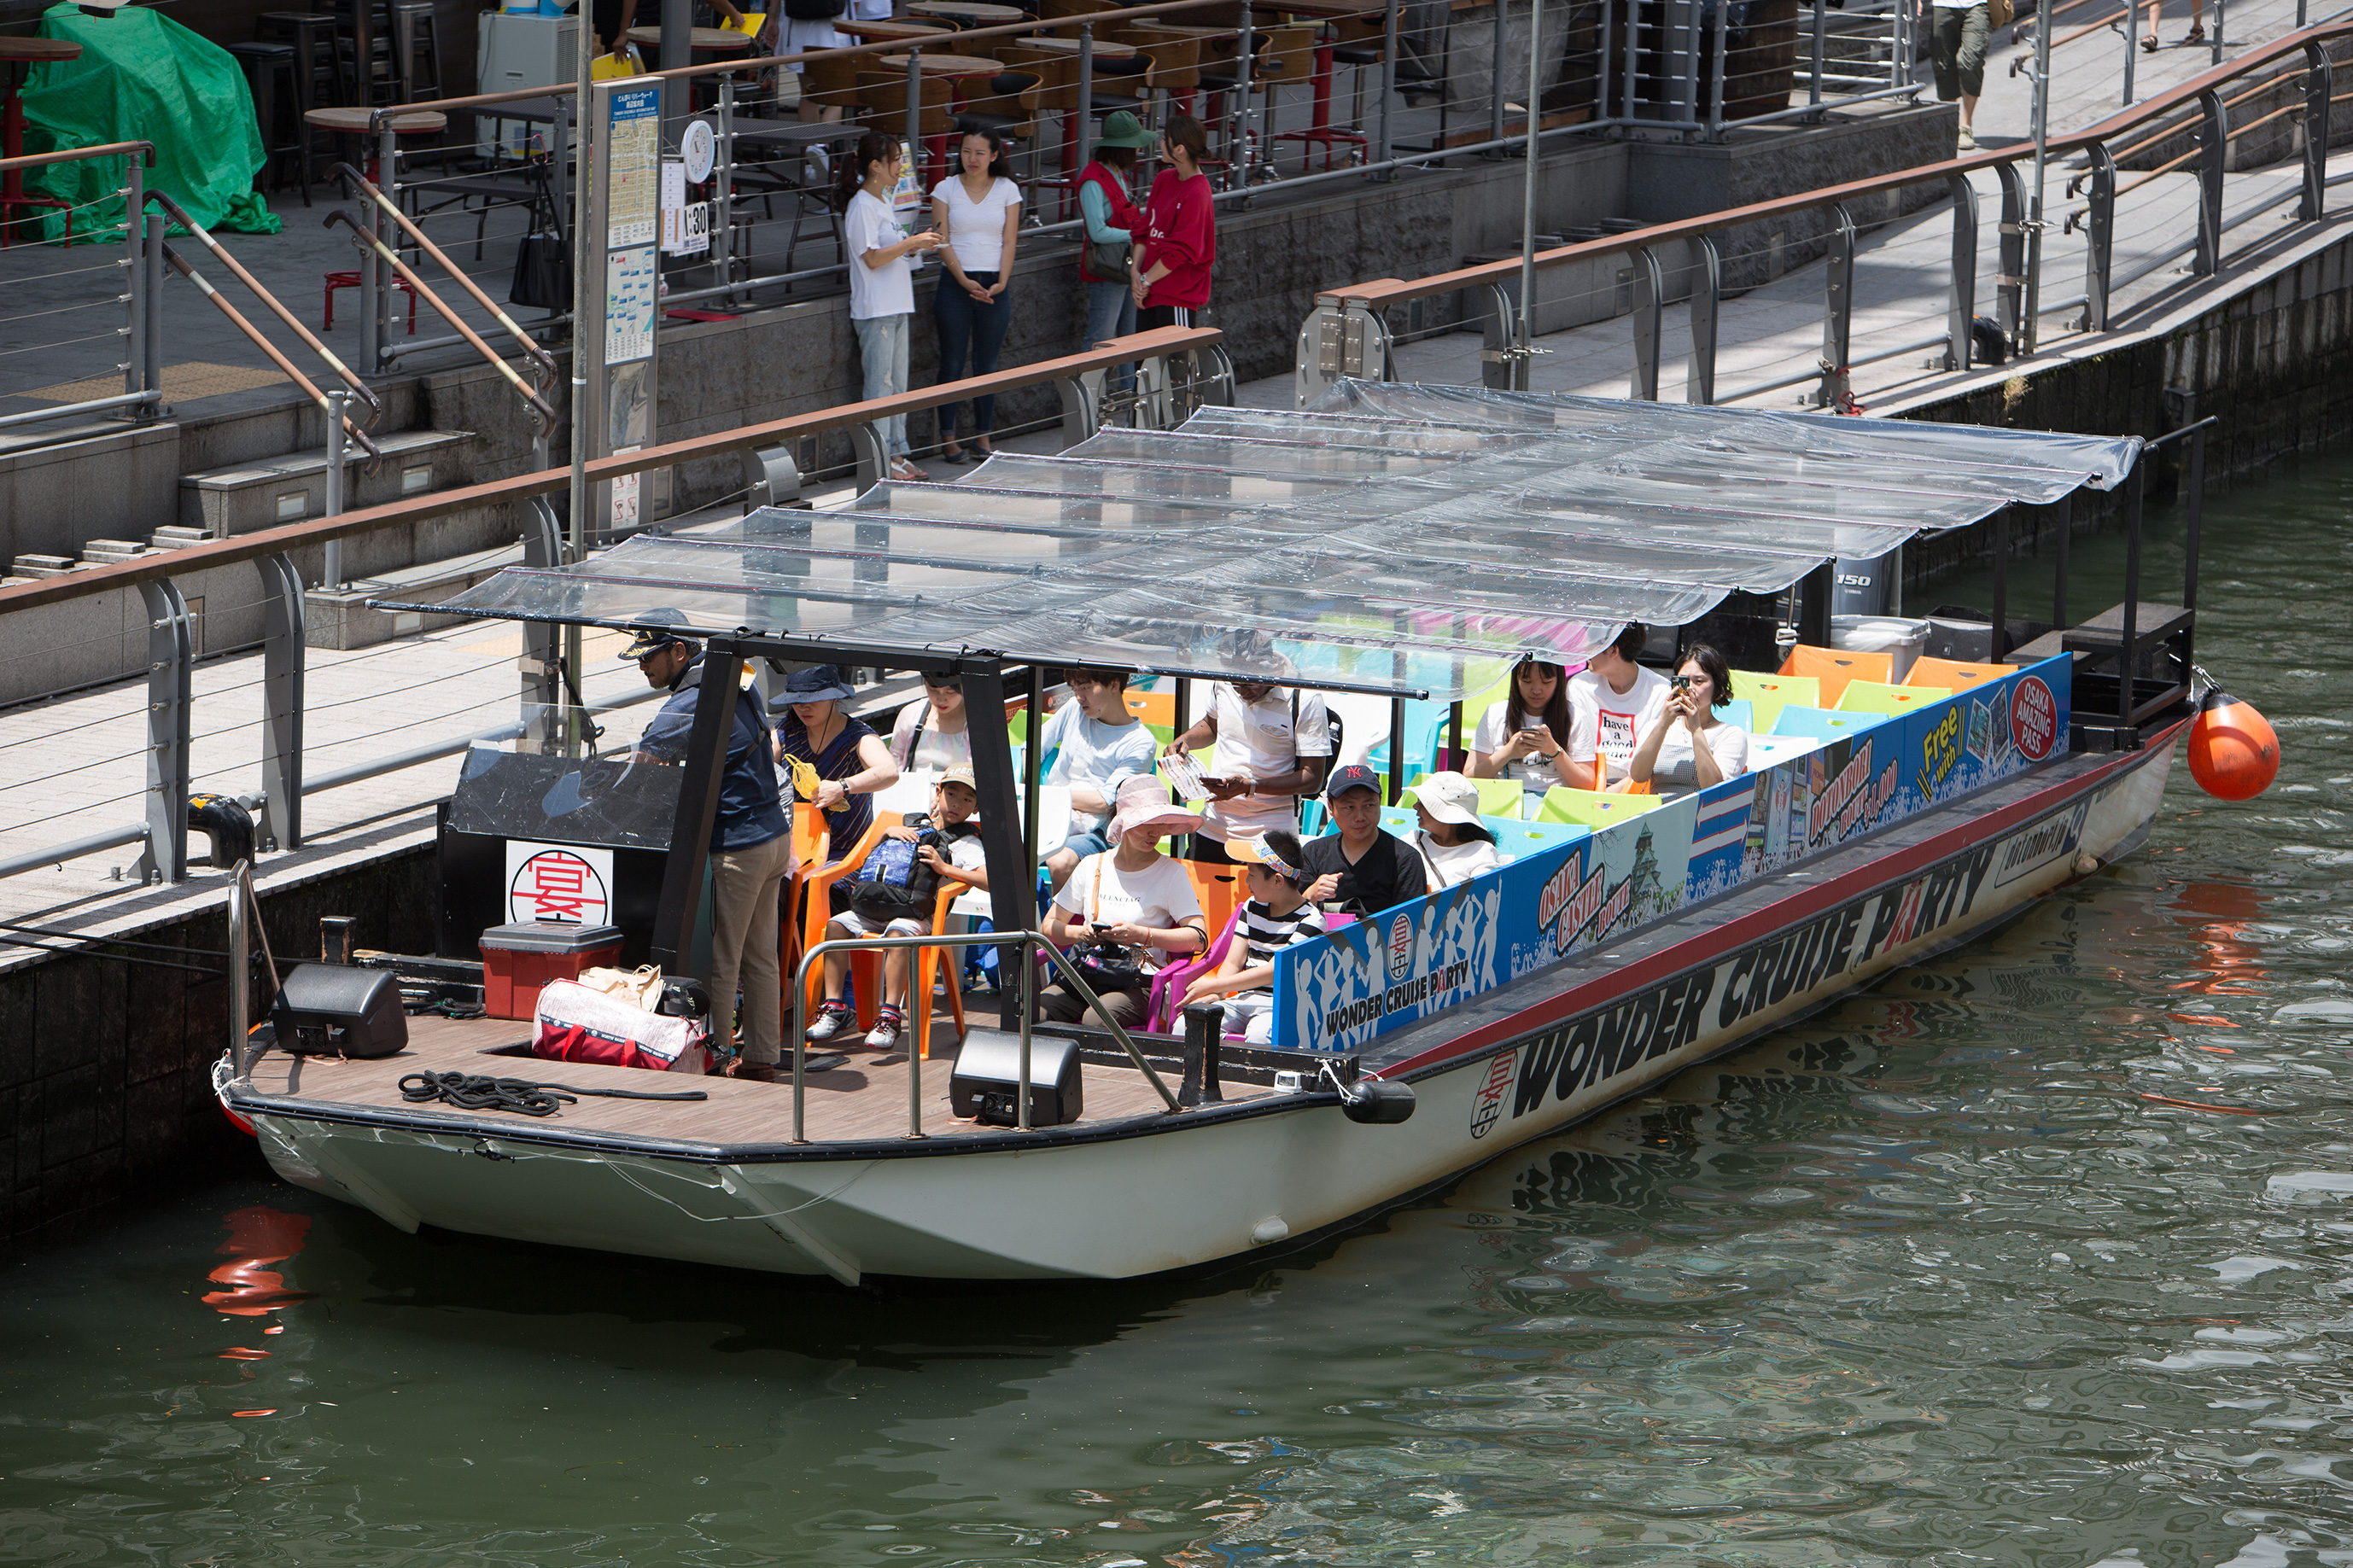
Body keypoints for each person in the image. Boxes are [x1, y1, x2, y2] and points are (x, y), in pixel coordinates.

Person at [619, 612, 794, 1083]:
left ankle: (715, 1054)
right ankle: (760, 1057)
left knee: (725, 958)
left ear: (679, 651)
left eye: (648, 657)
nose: (642, 667)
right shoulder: (738, 676)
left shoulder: (691, 698)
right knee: (761, 956)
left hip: (740, 846)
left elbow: (644, 763)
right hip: (775, 837)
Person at [807, 766, 990, 1050]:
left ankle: (890, 1016)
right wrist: (886, 834)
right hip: (877, 905)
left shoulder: (968, 842)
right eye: (952, 794)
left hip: (918, 916)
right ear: (938, 793)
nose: (957, 803)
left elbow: (989, 881)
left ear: (976, 807)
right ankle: (835, 1006)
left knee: (897, 933)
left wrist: (944, 868)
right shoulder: (914, 824)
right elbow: (870, 858)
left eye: (967, 799)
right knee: (836, 925)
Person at [1037, 775, 1208, 1029]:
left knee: (1097, 1019)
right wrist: (1083, 933)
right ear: (1124, 821)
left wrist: (1142, 935)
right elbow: (1049, 926)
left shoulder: (1172, 873)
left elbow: (1199, 937)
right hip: (1088, 969)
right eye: (1146, 823)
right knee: (1035, 1011)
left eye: (1161, 822)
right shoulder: (1091, 865)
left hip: (1139, 980)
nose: (1155, 832)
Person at [838, 131, 943, 483]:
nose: (901, 166)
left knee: (898, 385)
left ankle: (897, 453)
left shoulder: (882, 201)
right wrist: (911, 242)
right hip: (876, 308)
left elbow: (889, 251)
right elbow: (870, 258)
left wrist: (914, 246)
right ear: (875, 166)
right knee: (880, 386)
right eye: (896, 160)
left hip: (896, 304)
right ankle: (880, 457)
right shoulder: (862, 207)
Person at [1162, 673, 1334, 864]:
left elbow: (1312, 778)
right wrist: (1184, 741)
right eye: (1236, 686)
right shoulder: (1223, 681)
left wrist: (1250, 787)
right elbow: (1212, 725)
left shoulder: (1305, 698)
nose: (1243, 693)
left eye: (1251, 685)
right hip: (1214, 825)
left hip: (1270, 834)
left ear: (1272, 669)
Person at [1181, 830, 1326, 1046]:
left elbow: (1273, 972)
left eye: (1251, 874)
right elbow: (1234, 961)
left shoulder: (1313, 920)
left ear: (1277, 880)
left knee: (1260, 1036)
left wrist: (1213, 985)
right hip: (1243, 999)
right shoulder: (1251, 906)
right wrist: (1218, 994)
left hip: (1281, 1005)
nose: (1246, 880)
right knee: (1186, 1025)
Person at [930, 125, 1021, 464]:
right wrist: (964, 280)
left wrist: (1003, 280)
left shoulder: (1008, 189)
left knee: (988, 364)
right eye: (967, 151)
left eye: (980, 153)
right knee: (952, 362)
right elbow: (941, 240)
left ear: (994, 156)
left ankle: (983, 436)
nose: (973, 158)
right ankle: (948, 438)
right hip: (955, 283)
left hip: (995, 284)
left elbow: (1009, 239)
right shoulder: (945, 188)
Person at [1042, 666, 1159, 891]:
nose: (1079, 696)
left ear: (1114, 685)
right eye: (1075, 688)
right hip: (1047, 816)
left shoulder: (1140, 742)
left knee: (1060, 862)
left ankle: (1059, 915)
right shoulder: (1073, 709)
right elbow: (1033, 746)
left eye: (1086, 687)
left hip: (1096, 830)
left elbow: (1104, 802)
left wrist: (1046, 794)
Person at [774, 663, 899, 859]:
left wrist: (842, 787)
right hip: (791, 848)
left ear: (834, 697)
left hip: (846, 853)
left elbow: (889, 771)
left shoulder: (857, 736)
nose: (803, 707)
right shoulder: (785, 731)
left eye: (813, 699)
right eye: (796, 700)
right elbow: (758, 768)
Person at [1077, 110, 1154, 399]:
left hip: (1125, 267)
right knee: (1101, 338)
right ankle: (1087, 399)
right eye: (1134, 147)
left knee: (1129, 336)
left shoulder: (1118, 175)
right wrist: (1135, 234)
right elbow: (1096, 231)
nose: (1137, 152)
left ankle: (1129, 396)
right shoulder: (1092, 181)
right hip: (1107, 270)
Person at [1300, 765, 1434, 918]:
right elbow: (1289, 915)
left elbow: (1410, 921)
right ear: (1331, 808)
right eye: (1349, 807)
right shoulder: (1313, 853)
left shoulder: (1405, 860)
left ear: (1380, 802)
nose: (1360, 817)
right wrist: (1311, 895)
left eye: (1369, 805)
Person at [1622, 644, 1751, 797]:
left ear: (1718, 690)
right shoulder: (1655, 727)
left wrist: (1696, 729)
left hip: (1701, 811)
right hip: (1660, 810)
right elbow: (1638, 776)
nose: (1689, 689)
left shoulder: (1730, 735)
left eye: (1699, 681)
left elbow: (1714, 789)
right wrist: (1663, 724)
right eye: (1682, 681)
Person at [1133, 113, 1214, 329]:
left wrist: (1144, 280)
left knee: (1176, 353)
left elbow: (1182, 250)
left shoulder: (1198, 192)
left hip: (1176, 295)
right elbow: (1145, 229)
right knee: (1144, 354)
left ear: (1179, 149)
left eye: (1164, 139)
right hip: (1148, 290)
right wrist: (1136, 274)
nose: (1160, 143)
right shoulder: (1163, 179)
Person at [1568, 623, 1670, 791]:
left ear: (1613, 651)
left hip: (1637, 786)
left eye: (1593, 644)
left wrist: (1605, 796)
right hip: (1587, 780)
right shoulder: (1579, 685)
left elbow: (1653, 764)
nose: (1585, 649)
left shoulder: (1660, 691)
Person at [1467, 657, 1572, 796]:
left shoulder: (1575, 716)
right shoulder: (1495, 713)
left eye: (1546, 681)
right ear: (1516, 679)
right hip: (1504, 799)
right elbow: (1469, 778)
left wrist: (1554, 751)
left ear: (1559, 680)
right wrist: (1508, 753)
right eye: (1527, 681)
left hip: (1556, 801)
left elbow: (1586, 785)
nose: (1536, 690)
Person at [1404, 771, 1503, 887]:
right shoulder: (1412, 840)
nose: (1415, 806)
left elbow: (1484, 891)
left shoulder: (1481, 852)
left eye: (1423, 802)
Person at [1921, 0, 1989, 150]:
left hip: (1977, 4)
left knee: (1971, 61)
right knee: (1943, 65)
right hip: (1943, 5)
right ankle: (1950, 124)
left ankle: (1966, 125)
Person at [889, 672, 972, 773]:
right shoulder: (911, 713)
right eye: (933, 690)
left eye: (950, 692)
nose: (941, 700)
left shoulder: (977, 721)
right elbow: (895, 759)